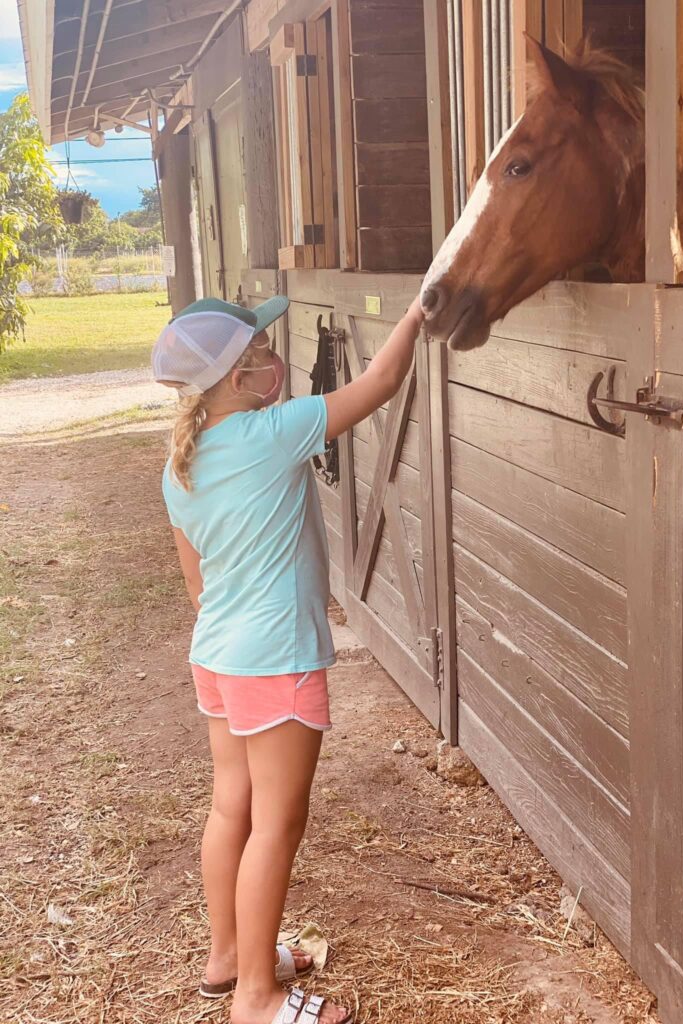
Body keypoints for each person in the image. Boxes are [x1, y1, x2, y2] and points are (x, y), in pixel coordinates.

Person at [151, 294, 423, 1024]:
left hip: (219, 656)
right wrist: (421, 308)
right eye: (264, 352)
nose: (276, 360)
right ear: (238, 376)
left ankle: (229, 959)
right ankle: (256, 999)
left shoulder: (180, 465)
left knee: (230, 806)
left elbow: (196, 585)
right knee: (276, 824)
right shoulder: (275, 432)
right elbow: (382, 381)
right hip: (274, 659)